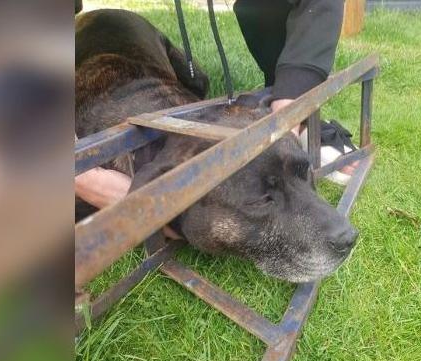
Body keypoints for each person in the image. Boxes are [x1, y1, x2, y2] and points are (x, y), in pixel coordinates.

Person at [75, 0, 355, 218]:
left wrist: (292, 103)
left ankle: (285, 100)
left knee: (199, 79)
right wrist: (82, 176)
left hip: (131, 34)